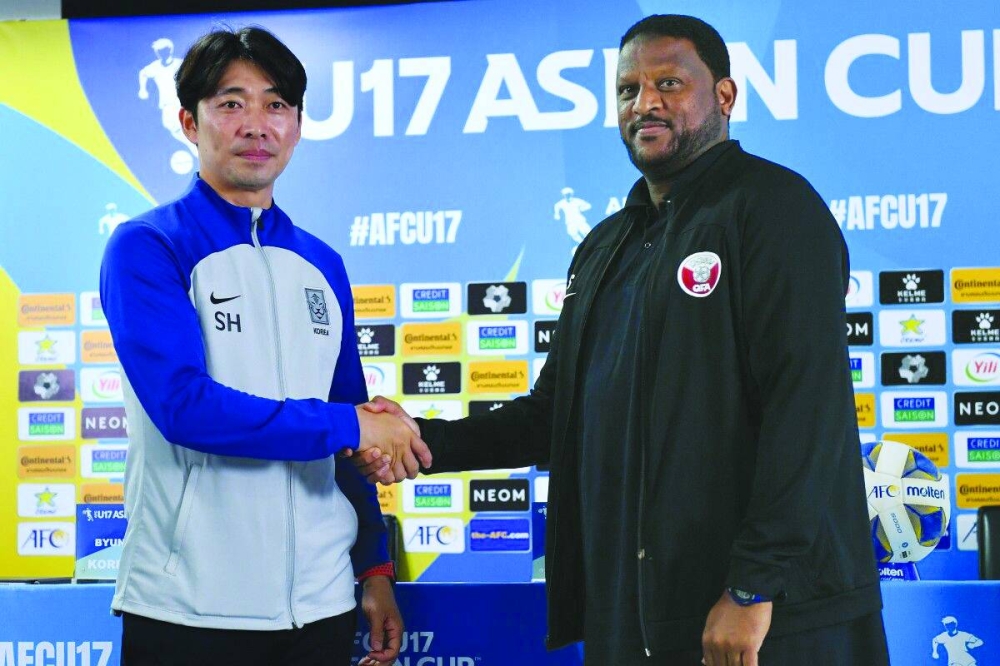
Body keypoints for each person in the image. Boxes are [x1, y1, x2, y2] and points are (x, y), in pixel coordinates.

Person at [364, 14, 889, 666]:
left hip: (767, 616)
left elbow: (806, 412)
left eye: (669, 83)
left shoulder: (775, 207)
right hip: (636, 615)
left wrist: (755, 584)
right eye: (628, 90)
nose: (645, 103)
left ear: (724, 97)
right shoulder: (606, 245)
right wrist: (422, 442)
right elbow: (553, 415)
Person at [101, 27, 429, 666]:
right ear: (189, 123)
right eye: (231, 103)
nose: (257, 124)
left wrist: (373, 570)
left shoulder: (322, 263)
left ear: (299, 126)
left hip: (321, 607)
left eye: (275, 104)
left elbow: (345, 428)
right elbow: (184, 408)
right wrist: (351, 423)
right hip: (185, 610)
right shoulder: (146, 246)